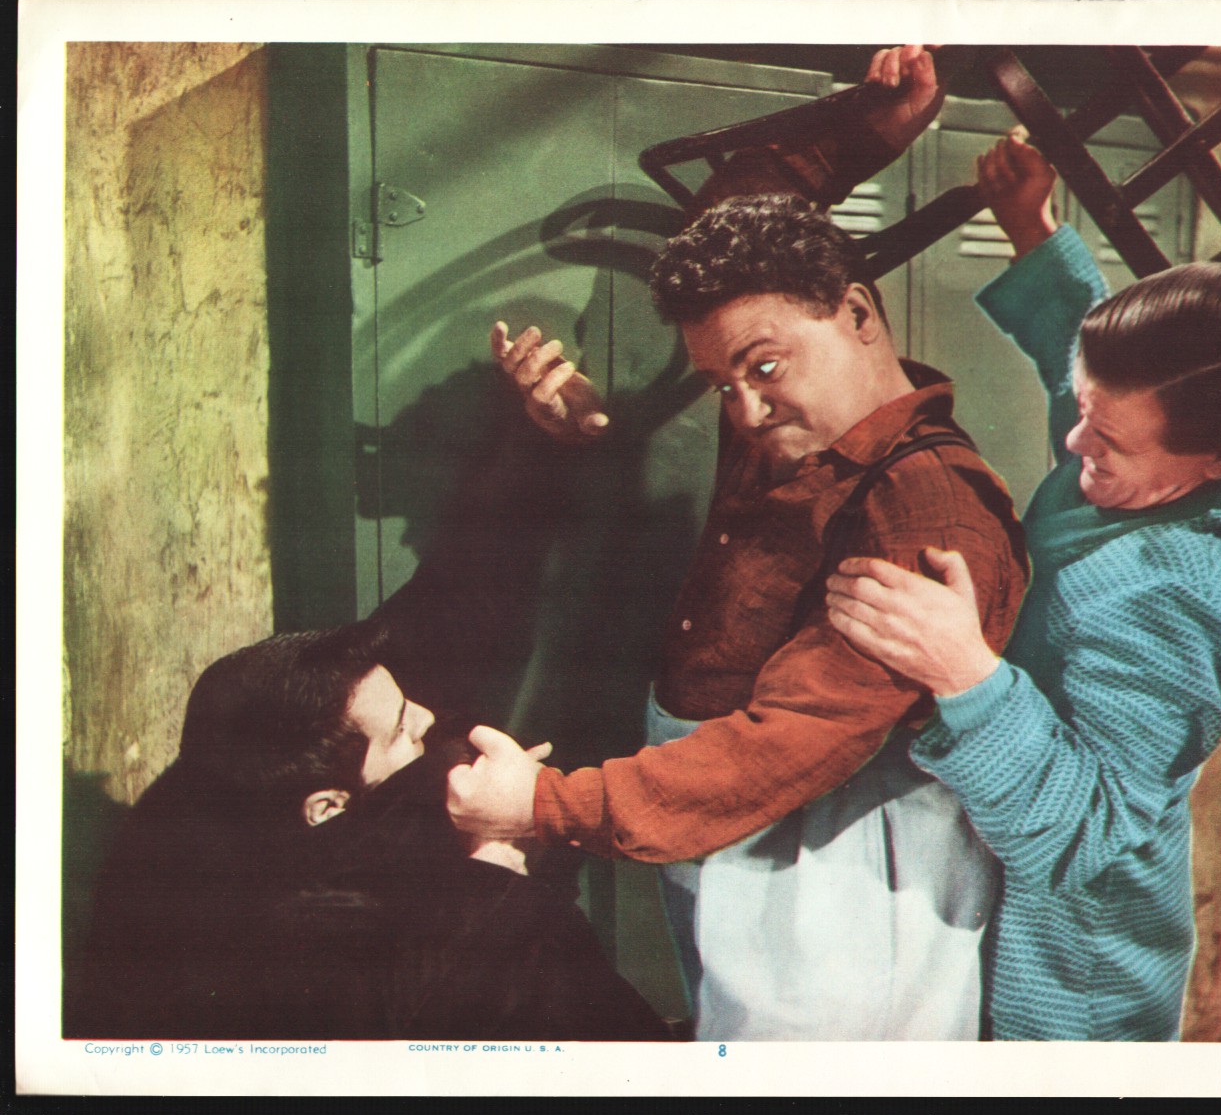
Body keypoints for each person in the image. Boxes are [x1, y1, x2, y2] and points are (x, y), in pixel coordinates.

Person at [446, 72, 1032, 1036]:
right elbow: (735, 214)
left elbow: (790, 740)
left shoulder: (924, 510)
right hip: (719, 810)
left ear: (857, 314)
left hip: (830, 856)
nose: (748, 410)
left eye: (763, 368)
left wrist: (545, 805)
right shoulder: (795, 421)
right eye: (723, 383)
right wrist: (869, 133)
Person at [824, 128, 1221, 1041]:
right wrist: (1031, 227)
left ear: (1219, 457)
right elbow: (1079, 363)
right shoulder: (1149, 439)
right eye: (1085, 414)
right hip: (997, 877)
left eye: (1105, 442)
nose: (1074, 443)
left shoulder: (1180, 596)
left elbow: (1087, 831)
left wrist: (964, 670)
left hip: (1070, 977)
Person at [68, 623, 669, 1042]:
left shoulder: (227, 785)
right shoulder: (300, 942)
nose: (426, 720)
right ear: (327, 807)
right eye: (401, 731)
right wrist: (499, 866)